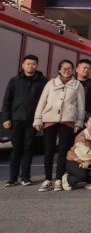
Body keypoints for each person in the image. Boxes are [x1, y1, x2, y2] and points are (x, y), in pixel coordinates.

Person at [34, 60, 86, 192]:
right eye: (63, 68)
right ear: (59, 70)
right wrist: (38, 119)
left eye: (69, 68)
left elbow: (81, 105)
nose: (66, 71)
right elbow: (42, 102)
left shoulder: (77, 85)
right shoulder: (51, 83)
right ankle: (47, 179)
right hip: (50, 119)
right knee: (49, 150)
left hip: (68, 120)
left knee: (63, 150)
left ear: (73, 70)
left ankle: (58, 178)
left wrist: (79, 121)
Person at [2, 55, 48, 187]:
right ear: (23, 65)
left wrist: (41, 119)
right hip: (16, 119)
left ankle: (25, 177)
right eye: (28, 64)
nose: (30, 66)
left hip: (33, 121)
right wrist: (6, 118)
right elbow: (7, 100)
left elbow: (46, 100)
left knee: (28, 148)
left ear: (37, 66)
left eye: (33, 64)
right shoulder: (14, 81)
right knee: (16, 149)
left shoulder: (43, 81)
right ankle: (12, 178)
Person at [61, 112, 91, 191]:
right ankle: (67, 180)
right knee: (83, 175)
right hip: (75, 160)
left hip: (90, 160)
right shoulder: (80, 136)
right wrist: (87, 160)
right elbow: (85, 154)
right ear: (86, 124)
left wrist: (89, 161)